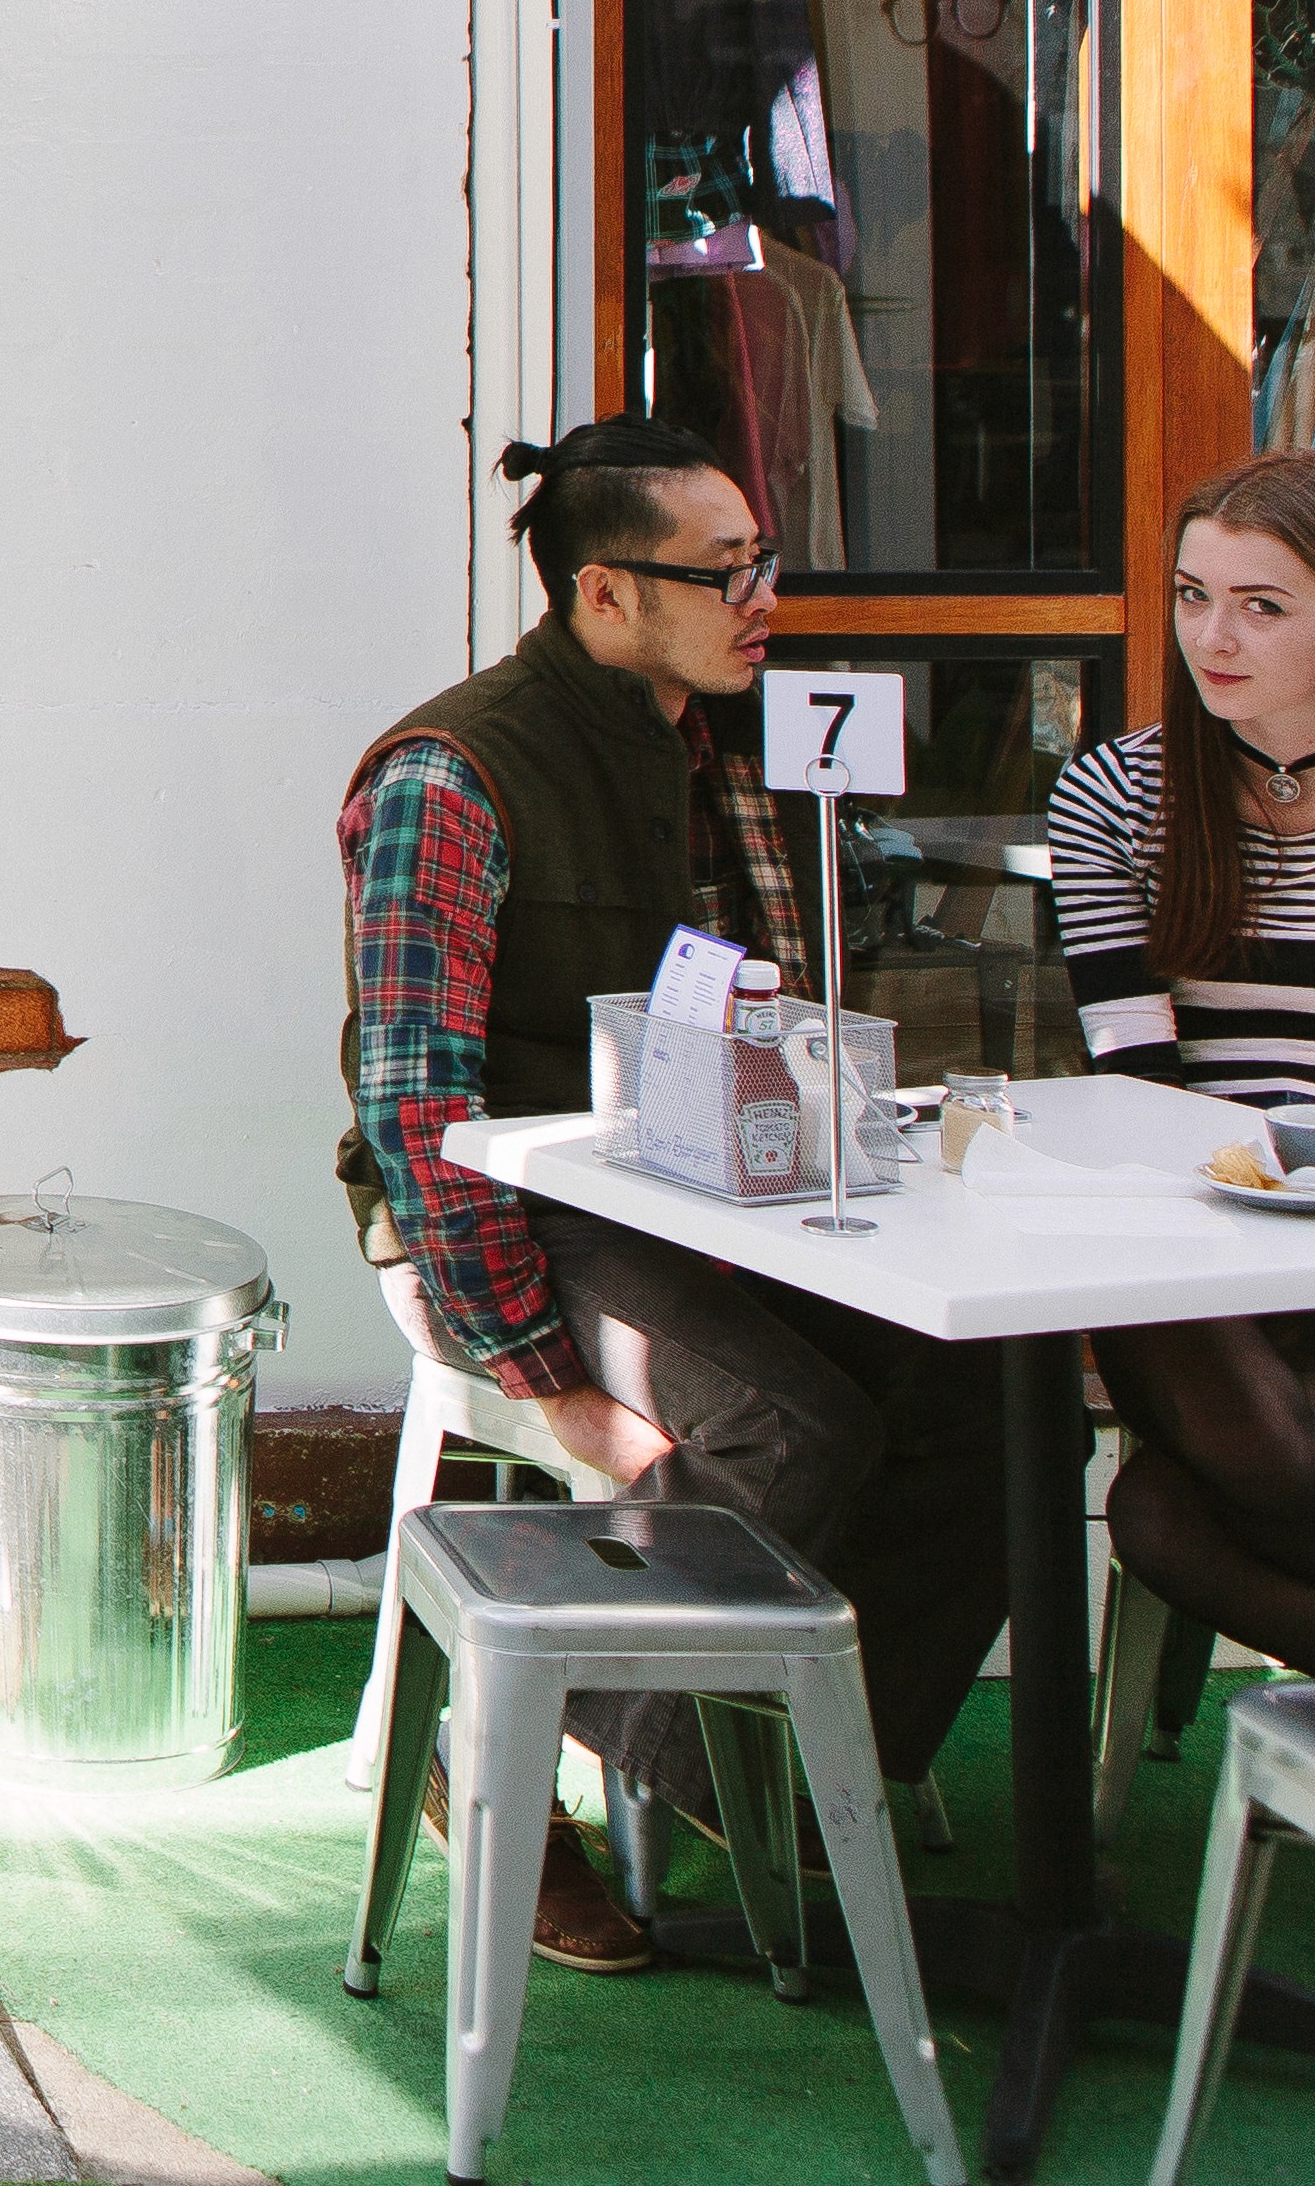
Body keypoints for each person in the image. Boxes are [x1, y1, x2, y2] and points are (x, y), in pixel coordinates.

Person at [338, 413, 1008, 1975]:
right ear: (600, 593)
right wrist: (540, 1376)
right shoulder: (454, 770)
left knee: (988, 1389)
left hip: (702, 1196)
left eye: (760, 557)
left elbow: (776, 1003)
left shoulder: (731, 739)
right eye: (721, 571)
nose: (759, 594)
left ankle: (756, 1771)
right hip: (510, 1206)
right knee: (797, 1422)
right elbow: (414, 1105)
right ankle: (515, 1756)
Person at [1052, 448, 1315, 1668]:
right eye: (1193, 594)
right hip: (1218, 1231)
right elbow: (1142, 1088)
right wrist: (1256, 1249)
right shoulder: (1118, 799)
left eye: (1261, 603)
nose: (1211, 635)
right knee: (1170, 1368)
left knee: (1163, 1507)